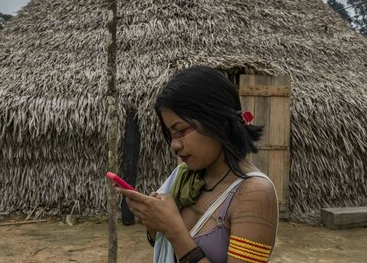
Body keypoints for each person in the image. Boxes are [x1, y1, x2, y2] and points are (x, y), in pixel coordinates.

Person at [117, 66, 278, 263]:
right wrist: (155, 227)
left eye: (182, 130)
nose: (174, 145)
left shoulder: (254, 194)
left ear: (220, 122)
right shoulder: (187, 177)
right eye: (171, 134)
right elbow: (168, 249)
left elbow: (178, 239)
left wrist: (174, 231)